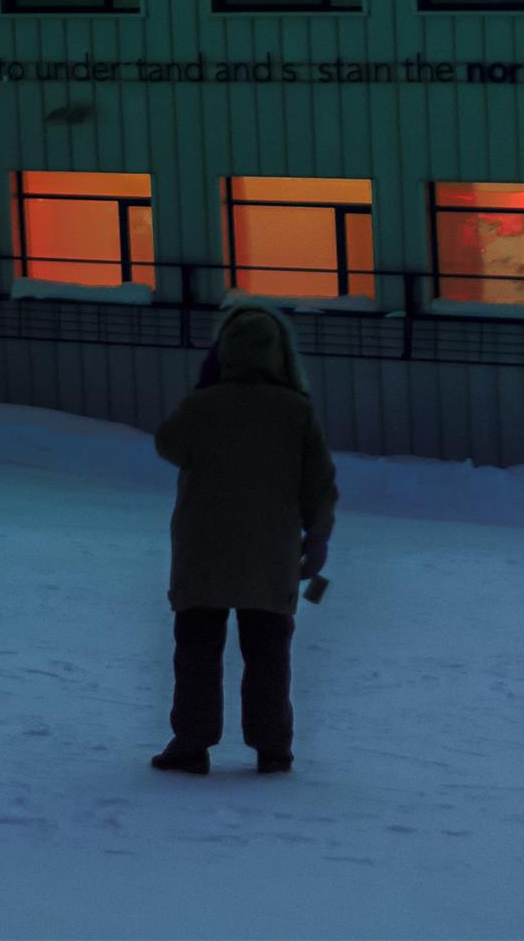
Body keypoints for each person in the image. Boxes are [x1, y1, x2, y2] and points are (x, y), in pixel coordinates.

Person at [150, 304, 338, 777]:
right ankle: (272, 748)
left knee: (197, 648)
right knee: (269, 653)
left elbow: (168, 445)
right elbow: (319, 484)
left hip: (203, 552)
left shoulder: (204, 405)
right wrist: (316, 540)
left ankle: (191, 743)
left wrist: (207, 390)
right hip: (270, 554)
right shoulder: (295, 411)